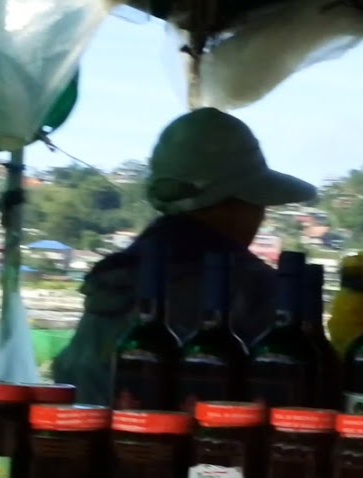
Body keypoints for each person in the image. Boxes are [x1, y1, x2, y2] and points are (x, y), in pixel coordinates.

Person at [52, 108, 317, 405]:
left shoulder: (112, 280)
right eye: (258, 203)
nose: (261, 216)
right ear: (231, 205)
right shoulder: (252, 288)